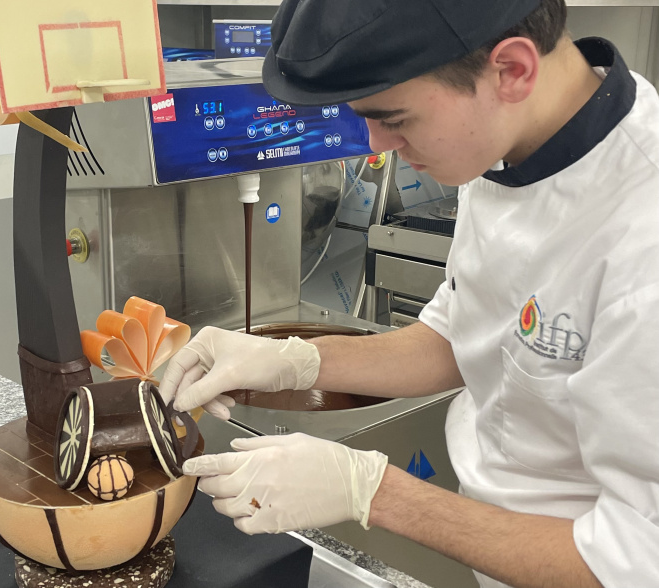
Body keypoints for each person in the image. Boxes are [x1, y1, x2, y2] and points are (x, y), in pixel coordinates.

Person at [159, 0, 659, 586]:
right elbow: (460, 338)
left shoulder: (640, 240)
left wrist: (373, 491)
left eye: (395, 118)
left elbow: (634, 559)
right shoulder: (507, 139)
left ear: (513, 70)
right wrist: (293, 359)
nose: (377, 142)